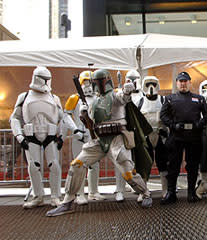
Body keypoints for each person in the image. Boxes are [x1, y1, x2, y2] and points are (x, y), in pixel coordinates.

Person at [46, 69, 153, 217]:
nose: (99, 84)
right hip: (99, 141)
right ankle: (68, 201)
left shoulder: (116, 95)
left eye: (101, 81)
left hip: (116, 139)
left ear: (108, 80)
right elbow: (92, 124)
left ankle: (145, 193)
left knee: (127, 172)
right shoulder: (94, 101)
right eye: (97, 81)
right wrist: (84, 116)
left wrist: (128, 90)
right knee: (76, 164)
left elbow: (125, 97)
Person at [10, 66, 62, 208]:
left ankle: (55, 196)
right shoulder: (24, 96)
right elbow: (14, 118)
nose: (45, 82)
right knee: (34, 166)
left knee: (54, 165)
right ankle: (38, 196)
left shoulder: (54, 97)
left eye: (47, 79)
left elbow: (62, 118)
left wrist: (61, 135)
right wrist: (19, 136)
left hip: (50, 135)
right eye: (43, 79)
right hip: (31, 134)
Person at [160, 71, 207, 204]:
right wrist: (173, 125)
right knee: (173, 165)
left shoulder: (199, 98)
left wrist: (200, 123)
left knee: (193, 166)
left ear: (190, 83)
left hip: (194, 137)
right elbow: (163, 116)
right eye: (180, 81)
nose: (183, 84)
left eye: (185, 81)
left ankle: (191, 192)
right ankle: (171, 193)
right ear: (177, 83)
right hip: (176, 137)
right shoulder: (169, 98)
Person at [62, 70, 105, 205]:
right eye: (85, 82)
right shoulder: (75, 98)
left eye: (90, 82)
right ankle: (80, 193)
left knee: (95, 164)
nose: (88, 85)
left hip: (93, 134)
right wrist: (75, 129)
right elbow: (66, 115)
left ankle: (93, 191)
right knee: (79, 165)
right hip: (80, 134)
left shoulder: (97, 97)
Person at [138, 76, 169, 198]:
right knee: (145, 165)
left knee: (163, 164)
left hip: (161, 136)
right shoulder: (140, 101)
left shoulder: (163, 100)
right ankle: (143, 191)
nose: (151, 87)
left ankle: (165, 190)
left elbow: (169, 116)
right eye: (148, 84)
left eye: (153, 84)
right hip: (146, 137)